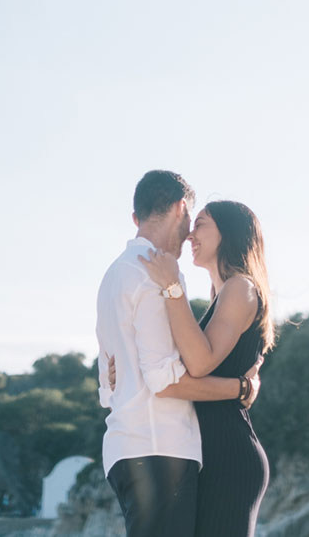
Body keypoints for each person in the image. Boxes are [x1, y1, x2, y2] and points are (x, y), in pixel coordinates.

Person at [96, 171, 260, 537]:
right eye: (193, 221)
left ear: (136, 217)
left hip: (128, 448)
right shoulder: (157, 275)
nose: (190, 233)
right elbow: (164, 380)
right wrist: (241, 389)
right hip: (160, 448)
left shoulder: (114, 275)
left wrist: (123, 375)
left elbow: (108, 388)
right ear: (180, 208)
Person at [138, 200, 274, 537]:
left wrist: (173, 287)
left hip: (228, 453)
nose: (189, 236)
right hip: (209, 451)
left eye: (200, 224)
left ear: (227, 232)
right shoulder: (222, 293)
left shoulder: (240, 287)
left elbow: (198, 364)